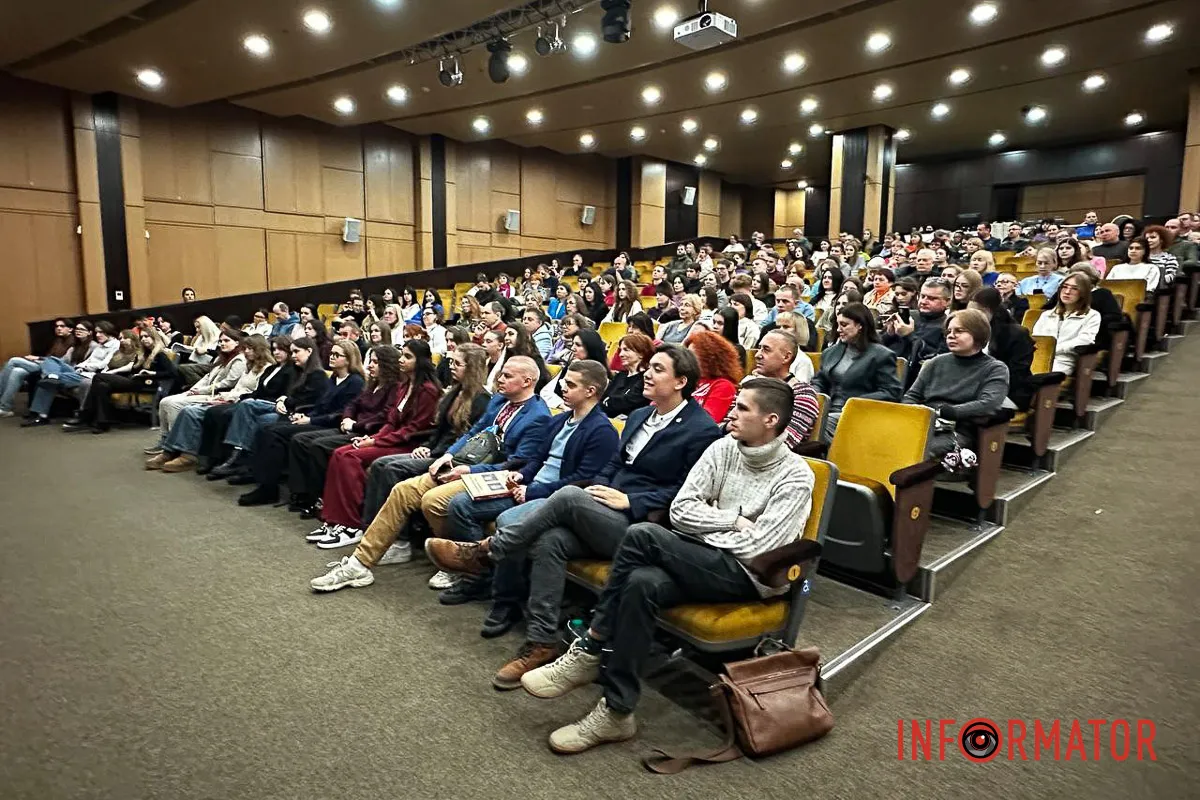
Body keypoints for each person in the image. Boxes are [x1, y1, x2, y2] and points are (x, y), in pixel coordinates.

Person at [422, 344, 722, 688]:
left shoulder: (701, 430)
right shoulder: (641, 415)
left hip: (642, 526)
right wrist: (601, 489)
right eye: (649, 367)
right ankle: (542, 640)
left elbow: (685, 492)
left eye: (657, 369)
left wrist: (628, 499)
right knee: (551, 541)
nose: (647, 374)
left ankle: (486, 552)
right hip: (603, 508)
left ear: (681, 381)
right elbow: (613, 465)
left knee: (566, 495)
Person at [310, 357, 550, 594]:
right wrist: (448, 455)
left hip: (496, 477)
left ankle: (454, 560)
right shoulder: (500, 400)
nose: (499, 377)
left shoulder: (538, 417)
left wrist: (467, 471)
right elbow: (475, 432)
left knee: (432, 500)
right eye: (502, 373)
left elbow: (516, 465)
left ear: (527, 381)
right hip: (466, 463)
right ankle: (359, 564)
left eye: (508, 375)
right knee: (403, 490)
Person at [394, 360, 620, 611]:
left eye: (570, 384)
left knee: (506, 520)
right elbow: (536, 459)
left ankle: (498, 590)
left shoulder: (602, 431)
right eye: (564, 382)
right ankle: (479, 576)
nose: (562, 389)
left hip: (551, 497)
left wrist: (532, 489)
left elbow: (582, 479)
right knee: (460, 505)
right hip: (528, 486)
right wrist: (522, 476)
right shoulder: (560, 420)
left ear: (590, 391)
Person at [346, 344, 493, 570]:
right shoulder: (455, 392)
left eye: (457, 363)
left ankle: (401, 541)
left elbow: (464, 439)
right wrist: (426, 446)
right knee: (381, 465)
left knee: (391, 467)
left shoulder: (481, 400)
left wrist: (434, 452)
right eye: (451, 362)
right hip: (435, 450)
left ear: (471, 368)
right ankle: (373, 530)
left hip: (452, 459)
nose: (450, 367)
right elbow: (439, 430)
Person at [308, 341, 442, 547]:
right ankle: (334, 519)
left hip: (408, 444)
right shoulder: (404, 386)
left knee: (350, 457)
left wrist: (376, 441)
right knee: (340, 453)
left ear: (420, 361)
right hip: (390, 439)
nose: (401, 360)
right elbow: (391, 421)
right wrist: (374, 439)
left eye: (407, 357)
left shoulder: (428, 390)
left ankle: (352, 524)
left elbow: (413, 428)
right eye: (401, 356)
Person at [232, 340, 371, 505]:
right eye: (331, 354)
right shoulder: (334, 378)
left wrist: (310, 419)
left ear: (348, 359)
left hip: (331, 425)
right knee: (267, 429)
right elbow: (320, 406)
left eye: (337, 355)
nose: (331, 358)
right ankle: (263, 481)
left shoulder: (355, 382)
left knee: (274, 433)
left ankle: (270, 489)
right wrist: (304, 416)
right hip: (318, 419)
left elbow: (340, 413)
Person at [143, 335, 272, 469]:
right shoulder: (249, 365)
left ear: (259, 349)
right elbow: (220, 381)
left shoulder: (265, 368)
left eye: (249, 349)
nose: (245, 352)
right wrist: (213, 393)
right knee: (185, 409)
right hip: (227, 396)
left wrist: (226, 396)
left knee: (187, 409)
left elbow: (253, 392)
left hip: (238, 401)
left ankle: (186, 455)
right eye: (245, 348)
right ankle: (171, 450)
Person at [207, 337, 328, 477]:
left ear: (309, 351)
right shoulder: (292, 370)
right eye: (291, 351)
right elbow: (285, 395)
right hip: (283, 407)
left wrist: (284, 400)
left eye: (295, 351)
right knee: (243, 411)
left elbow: (305, 400)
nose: (292, 355)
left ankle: (242, 458)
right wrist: (283, 400)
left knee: (257, 415)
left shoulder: (313, 374)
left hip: (297, 412)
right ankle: (241, 458)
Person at [904, 309, 1010, 459]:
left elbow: (989, 403)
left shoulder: (995, 368)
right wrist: (913, 410)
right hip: (923, 422)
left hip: (958, 430)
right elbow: (912, 395)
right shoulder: (935, 362)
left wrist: (948, 412)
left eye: (959, 331)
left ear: (978, 333)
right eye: (949, 332)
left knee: (914, 449)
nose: (951, 335)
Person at [813, 302, 903, 439]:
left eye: (844, 325)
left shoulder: (881, 355)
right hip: (825, 410)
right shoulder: (830, 352)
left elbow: (891, 392)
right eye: (837, 324)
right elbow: (820, 380)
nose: (838, 329)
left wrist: (856, 402)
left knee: (817, 425)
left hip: (857, 414)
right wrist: (815, 395)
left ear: (860, 325)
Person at [720, 330, 821, 449]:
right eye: (759, 348)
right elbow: (723, 425)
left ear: (786, 357)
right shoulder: (751, 387)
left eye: (766, 350)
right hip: (728, 451)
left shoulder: (803, 395)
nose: (757, 355)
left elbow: (785, 442)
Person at [146, 331, 246, 449]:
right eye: (220, 341)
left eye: (226, 340)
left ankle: (174, 443)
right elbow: (207, 377)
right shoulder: (221, 358)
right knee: (165, 401)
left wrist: (201, 391)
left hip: (217, 395)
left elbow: (228, 383)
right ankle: (165, 438)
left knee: (174, 404)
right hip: (206, 391)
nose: (222, 343)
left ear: (237, 342)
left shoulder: (239, 360)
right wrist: (193, 389)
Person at [67, 329, 175, 434]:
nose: (143, 339)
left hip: (147, 383)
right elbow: (134, 370)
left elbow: (172, 373)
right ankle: (102, 423)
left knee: (98, 377)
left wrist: (153, 374)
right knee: (102, 386)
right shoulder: (143, 354)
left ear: (154, 338)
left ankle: (85, 414)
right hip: (134, 380)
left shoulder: (160, 354)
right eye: (141, 337)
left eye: (147, 336)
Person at [22, 321, 121, 424]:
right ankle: (52, 376)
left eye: (101, 332)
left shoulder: (115, 345)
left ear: (109, 332)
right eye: (97, 332)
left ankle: (42, 415)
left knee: (47, 381)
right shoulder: (100, 345)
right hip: (80, 371)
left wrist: (84, 366)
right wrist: (81, 366)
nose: (98, 335)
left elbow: (103, 365)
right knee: (52, 360)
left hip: (90, 375)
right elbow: (88, 360)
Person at [968, 289, 1035, 411]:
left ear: (992, 311)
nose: (973, 317)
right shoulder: (970, 331)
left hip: (1008, 393)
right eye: (969, 312)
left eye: (979, 311)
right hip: (974, 388)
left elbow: (1017, 374)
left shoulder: (1017, 335)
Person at [0, 318, 75, 417]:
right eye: (57, 326)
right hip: (45, 364)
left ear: (70, 329)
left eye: (62, 326)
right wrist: (39, 360)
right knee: (17, 371)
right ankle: (5, 408)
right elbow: (49, 358)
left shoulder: (73, 342)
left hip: (55, 369)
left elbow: (60, 361)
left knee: (13, 361)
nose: (58, 328)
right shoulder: (58, 340)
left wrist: (38, 358)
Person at [1031, 273, 1101, 375]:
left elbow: (1085, 340)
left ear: (1083, 293)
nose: (1067, 292)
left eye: (1074, 289)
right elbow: (1037, 339)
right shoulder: (1046, 315)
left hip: (1064, 360)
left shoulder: (1092, 315)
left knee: (1040, 377)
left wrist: (1055, 349)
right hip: (1039, 357)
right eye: (1064, 287)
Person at [883, 278, 950, 383]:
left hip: (919, 379)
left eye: (932, 298)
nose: (924, 301)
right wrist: (889, 334)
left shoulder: (949, 326)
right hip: (888, 371)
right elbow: (879, 345)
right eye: (922, 296)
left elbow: (935, 360)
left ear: (947, 302)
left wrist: (909, 335)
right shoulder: (908, 315)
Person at [541, 329, 607, 412]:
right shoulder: (570, 368)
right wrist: (562, 405)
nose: (572, 348)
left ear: (590, 347)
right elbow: (545, 392)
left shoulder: (601, 374)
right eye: (573, 344)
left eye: (578, 345)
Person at [687, 331, 743, 422]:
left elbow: (706, 421)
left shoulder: (724, 386)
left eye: (692, 355)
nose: (687, 359)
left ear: (710, 357)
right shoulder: (687, 379)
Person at [600, 333, 653, 418]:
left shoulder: (647, 378)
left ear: (641, 353)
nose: (621, 354)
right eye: (621, 350)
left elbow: (629, 403)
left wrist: (608, 402)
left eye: (626, 350)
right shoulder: (620, 376)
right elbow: (602, 399)